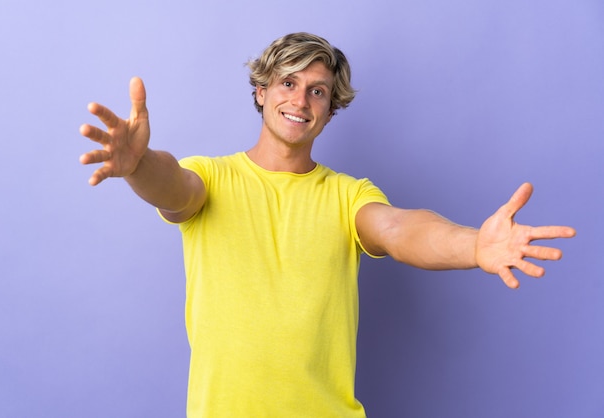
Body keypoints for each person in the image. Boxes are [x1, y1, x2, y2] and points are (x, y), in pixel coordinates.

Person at [79, 32, 576, 418]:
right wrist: (139, 164)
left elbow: (401, 230)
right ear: (260, 92)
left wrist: (474, 245)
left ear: (330, 110)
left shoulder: (347, 195)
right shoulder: (212, 178)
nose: (300, 101)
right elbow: (174, 188)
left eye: (317, 91)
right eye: (288, 83)